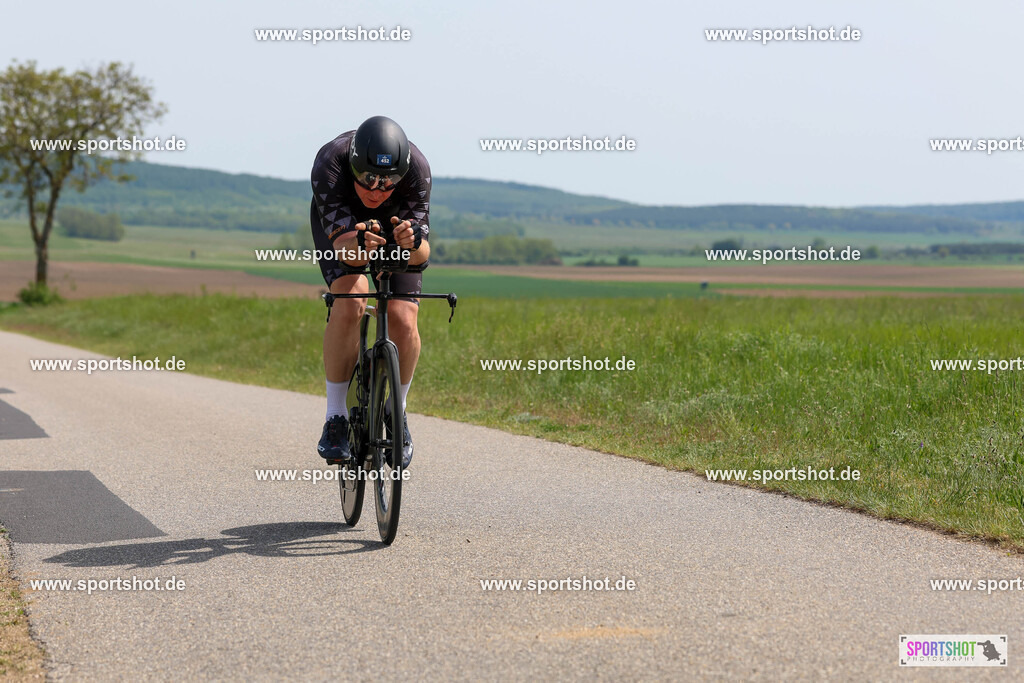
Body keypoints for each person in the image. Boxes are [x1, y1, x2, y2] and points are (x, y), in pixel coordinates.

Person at [309, 116, 430, 468]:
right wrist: (360, 245)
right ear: (353, 166)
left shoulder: (417, 170)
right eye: (368, 180)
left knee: (403, 316)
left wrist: (413, 242)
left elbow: (423, 253)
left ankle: (397, 410)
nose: (377, 190)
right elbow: (346, 249)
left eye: (388, 182)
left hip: (396, 230)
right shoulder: (330, 161)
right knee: (352, 300)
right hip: (347, 229)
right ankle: (335, 417)